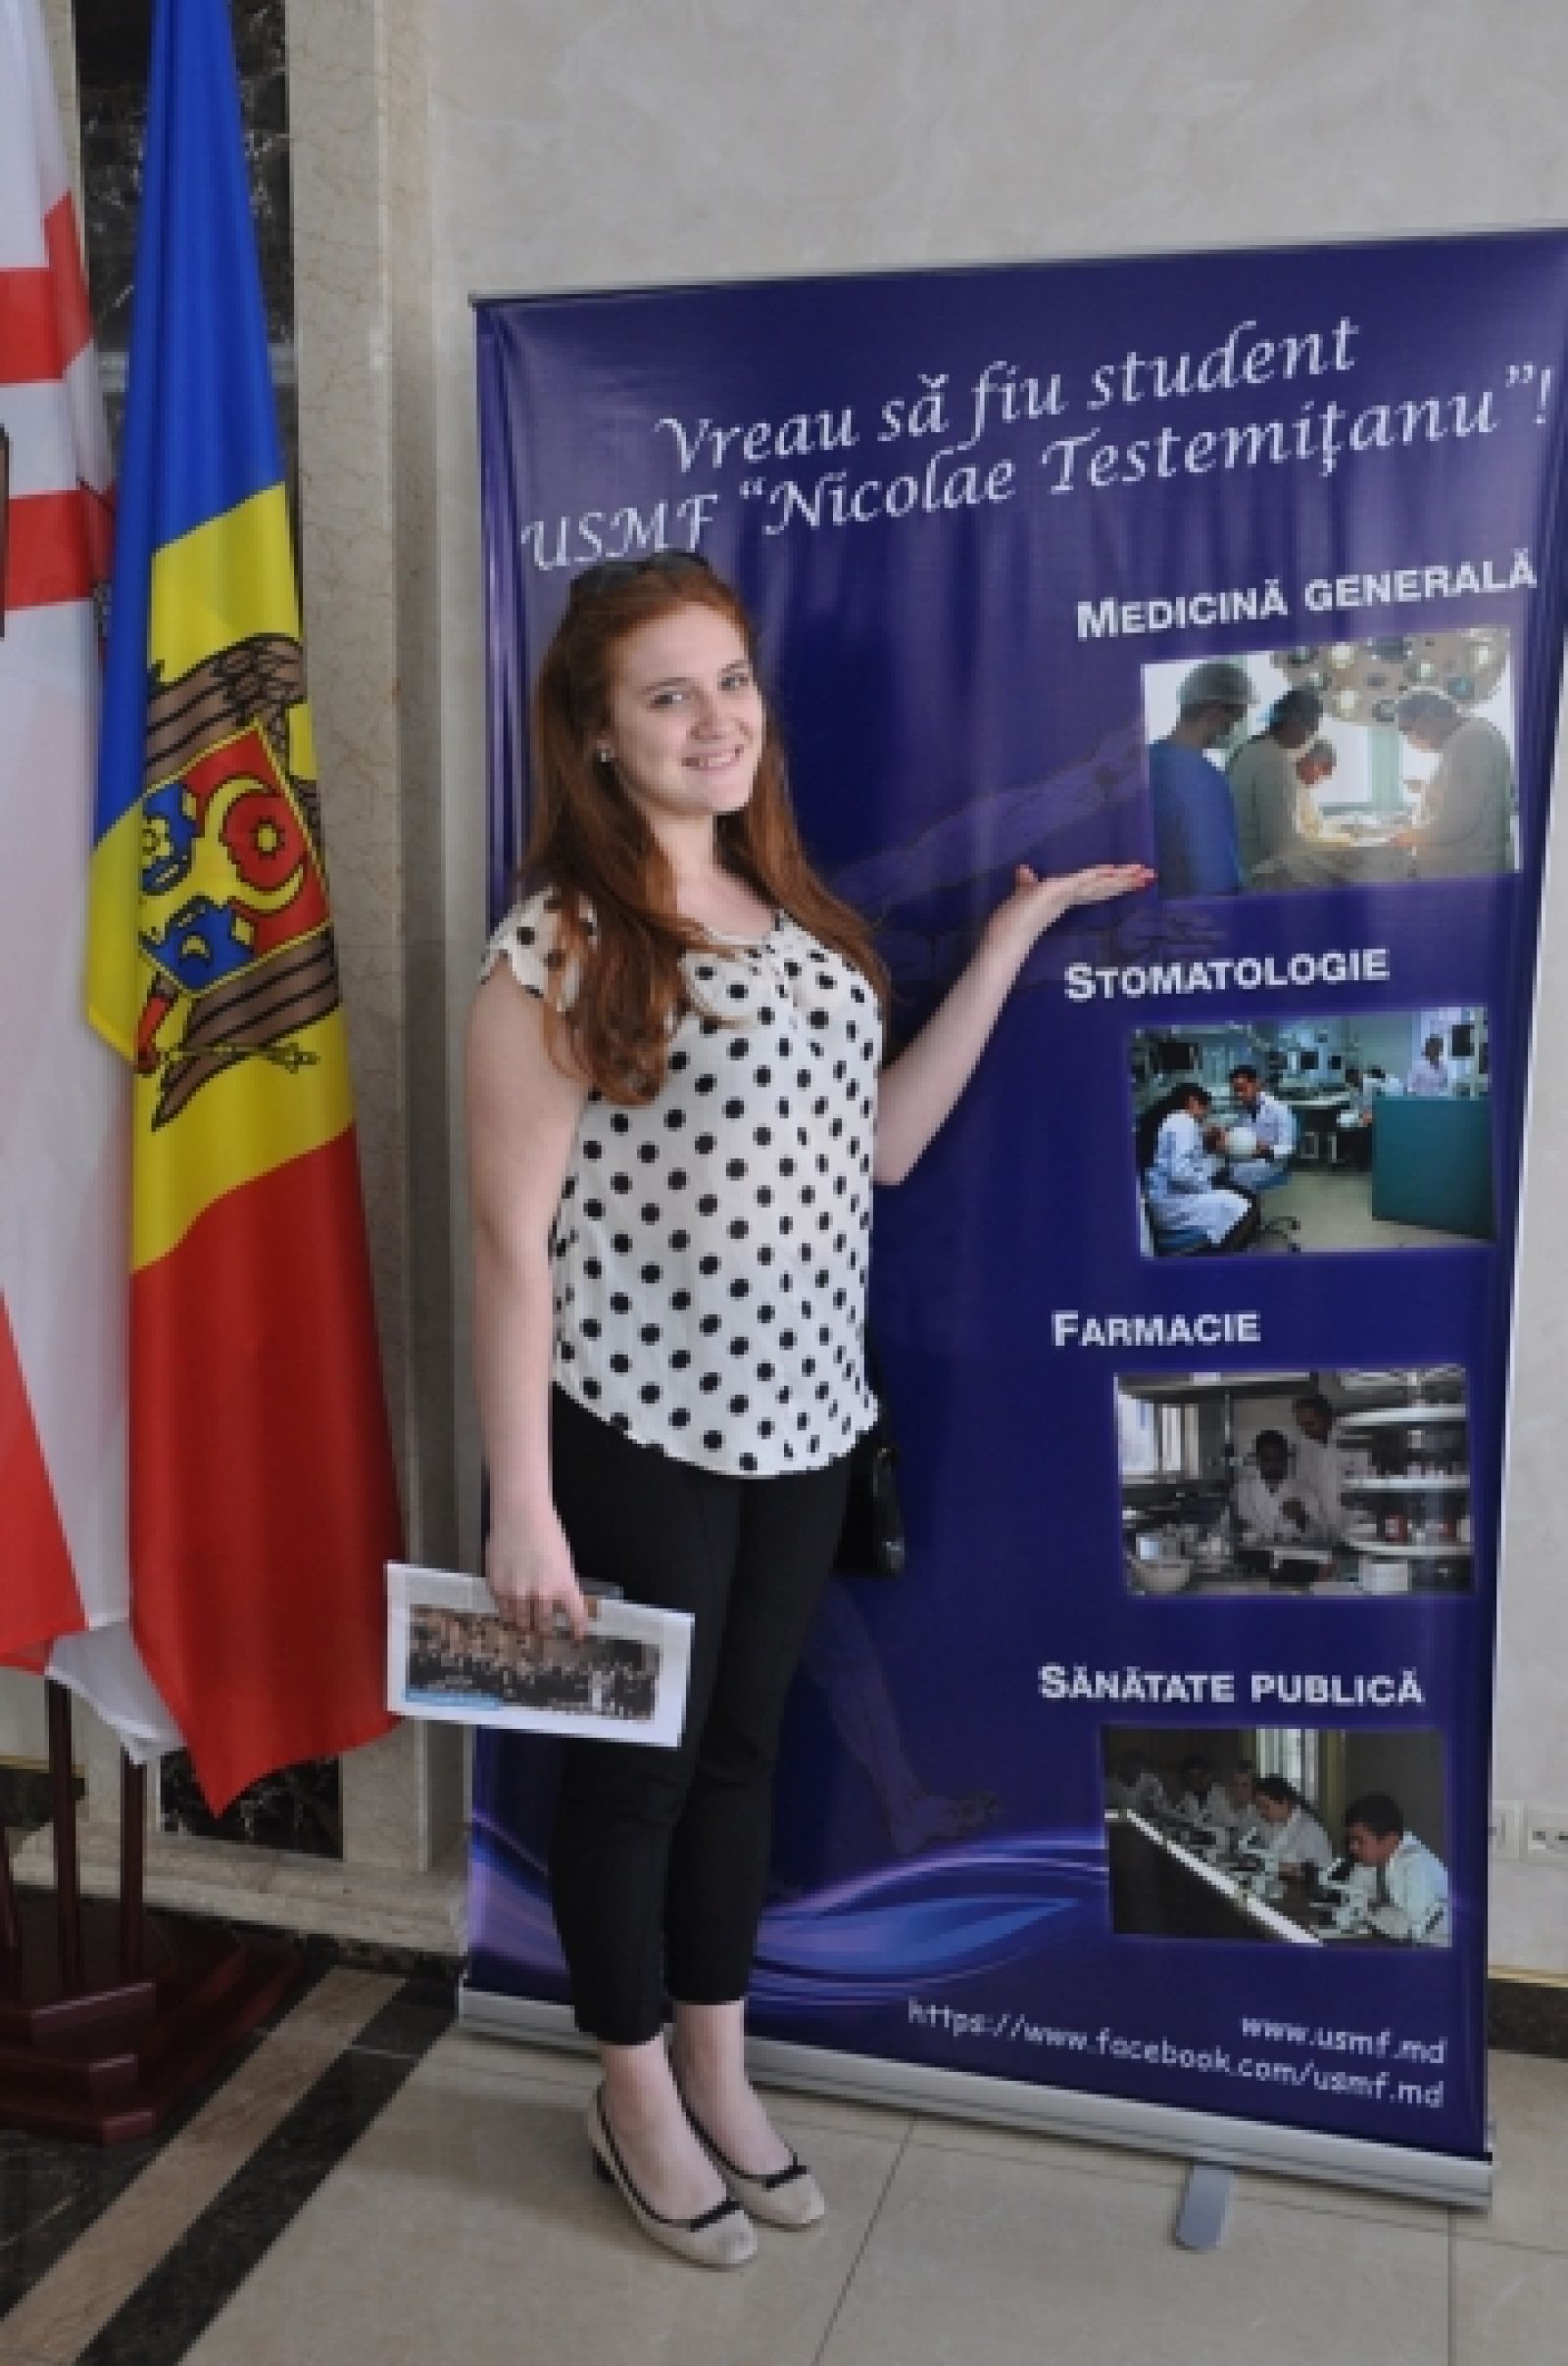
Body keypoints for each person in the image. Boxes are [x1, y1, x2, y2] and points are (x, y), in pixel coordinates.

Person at [467, 551, 1150, 2268]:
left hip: (805, 1424)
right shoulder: (563, 938)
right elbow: (505, 1246)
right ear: (598, 734)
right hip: (629, 1424)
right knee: (632, 1781)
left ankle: (717, 2057)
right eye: (669, 693)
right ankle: (631, 2091)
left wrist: (1004, 947)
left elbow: (886, 1150)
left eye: (733, 679)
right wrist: (521, 1501)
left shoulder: (801, 921)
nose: (718, 718)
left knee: (743, 1757)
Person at [1147, 661, 1255, 898]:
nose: (1233, 730)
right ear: (1214, 713)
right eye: (1234, 721)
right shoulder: (1204, 781)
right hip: (1192, 915)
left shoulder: (1144, 763)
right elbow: (1218, 884)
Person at [1389, 689, 1515, 878]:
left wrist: (1410, 836)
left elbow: (1457, 821)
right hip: (1458, 868)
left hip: (1464, 870)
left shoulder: (1473, 740)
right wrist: (1426, 789)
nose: (1412, 738)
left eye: (1409, 729)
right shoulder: (1466, 737)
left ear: (1429, 715)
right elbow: (1464, 798)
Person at [1137, 1083, 1258, 1253]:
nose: (1205, 1116)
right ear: (1192, 1101)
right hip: (1174, 1206)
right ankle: (1226, 1259)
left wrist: (1206, 1143)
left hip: (1165, 1203)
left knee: (1234, 1200)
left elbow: (1188, 1161)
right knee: (1244, 1209)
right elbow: (1180, 1173)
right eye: (1206, 1110)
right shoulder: (1183, 1122)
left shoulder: (1171, 1120)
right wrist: (1207, 1187)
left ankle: (1226, 1252)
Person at [1226, 688, 1324, 882]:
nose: (1310, 739)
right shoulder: (1274, 762)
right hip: (1263, 877)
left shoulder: (1248, 750)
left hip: (1242, 869)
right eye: (1311, 731)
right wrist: (1331, 856)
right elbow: (1283, 845)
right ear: (1295, 723)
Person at [1343, 1794, 1451, 1945]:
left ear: (1390, 1839)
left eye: (1359, 1841)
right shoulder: (1368, 1861)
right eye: (1351, 1840)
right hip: (1396, 1943)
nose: (1352, 1848)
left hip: (1436, 1948)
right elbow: (1350, 1903)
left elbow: (1410, 1929)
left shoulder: (1416, 1864)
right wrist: (1371, 1910)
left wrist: (1371, 1910)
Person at [1234, 1430, 1325, 1545]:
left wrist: (1301, 1518)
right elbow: (1224, 1531)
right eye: (1266, 1459)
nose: (1273, 1465)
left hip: (1294, 1554)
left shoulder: (1305, 1491)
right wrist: (1237, 1528)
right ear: (1257, 1459)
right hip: (1253, 1554)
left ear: (1286, 1457)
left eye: (1278, 1458)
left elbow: (1320, 1537)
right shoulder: (1241, 1491)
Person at [1223, 1062, 1297, 1191]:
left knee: (1237, 1175)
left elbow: (1288, 1148)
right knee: (1221, 1169)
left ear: (1256, 1084)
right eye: (1236, 1090)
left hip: (1271, 1162)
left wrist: (1266, 1150)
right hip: (1248, 1158)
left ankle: (1246, 1202)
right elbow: (1240, 1137)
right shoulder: (1242, 1111)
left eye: (1242, 1089)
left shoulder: (1278, 1109)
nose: (1239, 1095)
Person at [1291, 1391, 1350, 1541]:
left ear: (1328, 1418)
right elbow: (1303, 1485)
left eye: (1310, 1424)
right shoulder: (1305, 1445)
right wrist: (1310, 1512)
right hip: (1322, 1528)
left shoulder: (1351, 1438)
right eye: (1301, 1426)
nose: (1306, 1431)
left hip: (1355, 1524)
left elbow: (1366, 1483)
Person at [1250, 1775, 1334, 1875]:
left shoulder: (1310, 1829)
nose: (1261, 1812)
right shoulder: (1273, 1825)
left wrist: (1284, 1868)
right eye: (1259, 1807)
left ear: (1284, 1802)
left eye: (1266, 1807)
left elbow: (1320, 1871)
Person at [1293, 737, 1338, 834]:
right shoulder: (1288, 786)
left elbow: (1316, 824)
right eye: (1323, 769)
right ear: (1305, 760)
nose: (1322, 777)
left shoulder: (1303, 788)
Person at [1406, 1032, 1451, 1097]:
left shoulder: (1444, 1068)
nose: (1436, 1051)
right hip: (1421, 1100)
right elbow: (1411, 1088)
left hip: (1438, 1101)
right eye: (1433, 1048)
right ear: (1428, 1049)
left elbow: (1445, 1089)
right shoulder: (1417, 1066)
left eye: (1438, 1048)